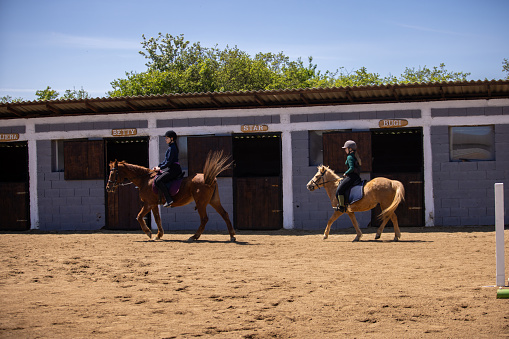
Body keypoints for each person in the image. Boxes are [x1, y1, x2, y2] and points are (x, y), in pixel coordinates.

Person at [153, 130, 182, 207]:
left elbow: (168, 162)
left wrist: (160, 167)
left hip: (174, 170)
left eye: (167, 138)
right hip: (172, 169)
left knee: (159, 180)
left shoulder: (172, 148)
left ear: (171, 138)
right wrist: (158, 166)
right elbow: (165, 161)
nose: (165, 139)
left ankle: (169, 199)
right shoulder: (171, 147)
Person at [335, 140, 362, 212]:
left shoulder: (349, 157)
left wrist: (345, 173)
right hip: (356, 176)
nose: (345, 150)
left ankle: (341, 206)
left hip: (351, 177)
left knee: (339, 190)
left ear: (350, 149)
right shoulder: (355, 156)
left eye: (346, 148)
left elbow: (351, 168)